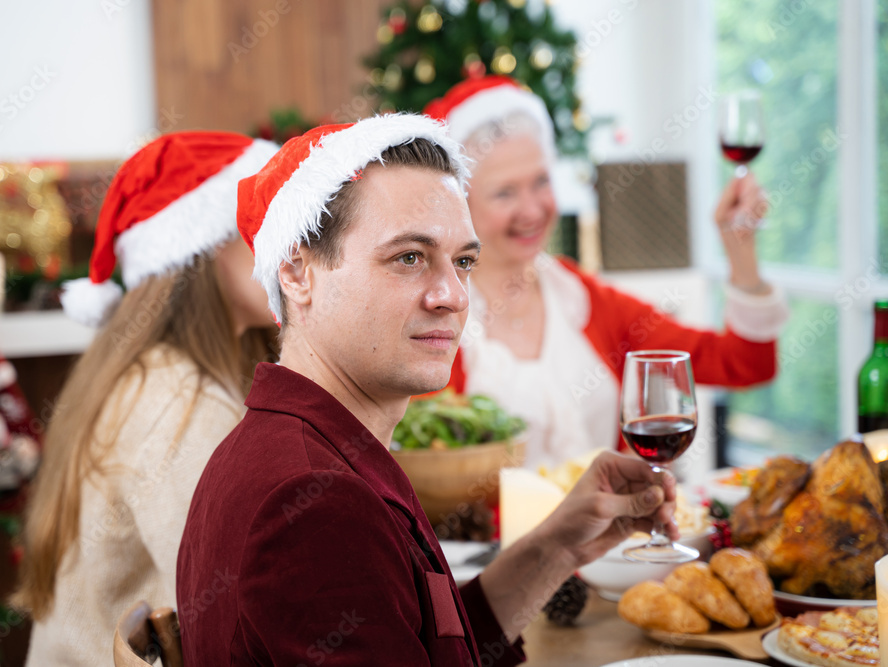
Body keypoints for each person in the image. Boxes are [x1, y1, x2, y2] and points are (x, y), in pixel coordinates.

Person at [177, 114, 679, 667]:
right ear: (298, 272)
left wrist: (558, 545)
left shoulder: (303, 445)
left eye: (463, 261)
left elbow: (428, 644)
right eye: (409, 258)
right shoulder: (317, 506)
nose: (453, 295)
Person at [424, 76, 790, 468]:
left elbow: (745, 363)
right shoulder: (433, 317)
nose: (532, 210)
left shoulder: (581, 299)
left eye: (541, 182)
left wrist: (740, 249)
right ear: (460, 201)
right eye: (505, 193)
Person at [12, 132, 279, 667]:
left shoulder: (158, 376)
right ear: (201, 251)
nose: (290, 247)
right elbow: (232, 603)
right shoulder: (178, 403)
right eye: (262, 225)